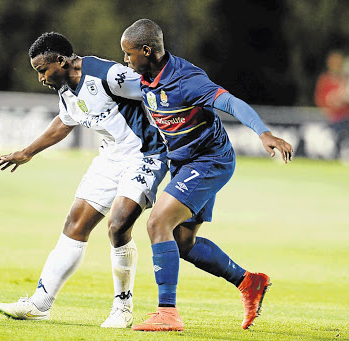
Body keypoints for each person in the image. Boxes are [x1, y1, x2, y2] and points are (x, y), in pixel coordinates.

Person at [120, 19, 294, 331]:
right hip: (185, 163)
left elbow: (230, 102)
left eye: (129, 54)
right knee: (182, 242)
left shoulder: (186, 79)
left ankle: (167, 312)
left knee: (157, 222)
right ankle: (249, 282)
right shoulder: (145, 75)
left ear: (146, 51)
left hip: (209, 161)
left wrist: (263, 132)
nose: (125, 60)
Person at [0, 32, 168, 328]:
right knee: (75, 223)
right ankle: (39, 303)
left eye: (43, 70)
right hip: (110, 157)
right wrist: (27, 152)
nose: (41, 78)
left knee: (118, 223)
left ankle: (122, 308)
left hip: (145, 155)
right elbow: (65, 121)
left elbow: (158, 90)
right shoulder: (64, 86)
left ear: (61, 60)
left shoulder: (108, 75)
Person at [314, 51, 349, 161]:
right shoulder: (324, 79)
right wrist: (331, 102)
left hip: (348, 119)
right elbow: (320, 99)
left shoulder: (347, 79)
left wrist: (344, 97)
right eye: (334, 62)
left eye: (339, 62)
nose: (336, 64)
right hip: (332, 119)